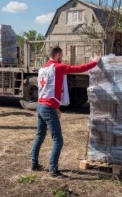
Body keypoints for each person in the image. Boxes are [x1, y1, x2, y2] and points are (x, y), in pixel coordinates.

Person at [30, 46, 101, 179]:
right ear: (57, 55)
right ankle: (53, 170)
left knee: (40, 136)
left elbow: (45, 90)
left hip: (40, 105)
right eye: (61, 56)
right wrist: (95, 62)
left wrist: (55, 106)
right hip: (48, 107)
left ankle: (34, 164)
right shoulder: (58, 67)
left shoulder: (43, 69)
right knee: (58, 140)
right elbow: (79, 69)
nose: (61, 58)